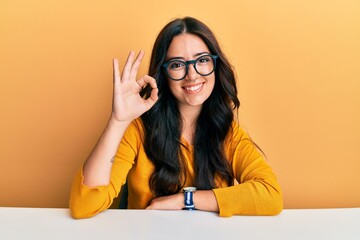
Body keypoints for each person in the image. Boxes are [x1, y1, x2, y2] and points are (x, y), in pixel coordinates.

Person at [69, 16, 283, 218]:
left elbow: (270, 195)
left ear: (215, 66)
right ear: (164, 73)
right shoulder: (138, 131)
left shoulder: (228, 133)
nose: (192, 75)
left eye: (202, 60)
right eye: (177, 64)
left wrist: (185, 200)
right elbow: (84, 205)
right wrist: (117, 122)